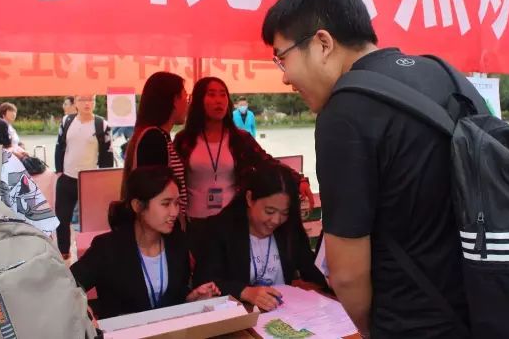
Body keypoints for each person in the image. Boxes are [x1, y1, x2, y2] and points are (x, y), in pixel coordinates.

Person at [261, 0, 475, 338]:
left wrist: (372, 331)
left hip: (415, 322)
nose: (285, 79)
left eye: (282, 58)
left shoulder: (344, 113)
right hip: (485, 307)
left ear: (323, 43)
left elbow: (346, 274)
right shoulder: (446, 75)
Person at [173, 77, 312, 255]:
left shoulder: (240, 138)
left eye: (223, 95)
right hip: (194, 223)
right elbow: (173, 181)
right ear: (199, 100)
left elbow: (267, 162)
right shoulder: (184, 140)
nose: (218, 100)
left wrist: (299, 179)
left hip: (232, 221)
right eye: (211, 94)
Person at [70, 166, 220, 319]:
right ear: (138, 205)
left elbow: (175, 294)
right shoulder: (108, 248)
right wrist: (83, 310)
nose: (174, 212)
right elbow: (67, 286)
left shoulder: (177, 242)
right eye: (166, 204)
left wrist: (191, 298)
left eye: (176, 203)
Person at [194, 163, 325, 311]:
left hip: (284, 311)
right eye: (269, 211)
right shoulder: (220, 229)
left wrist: (331, 279)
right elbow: (204, 282)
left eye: (284, 213)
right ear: (250, 199)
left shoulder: (288, 228)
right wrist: (244, 292)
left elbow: (309, 266)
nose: (276, 220)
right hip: (240, 315)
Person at [122, 72, 188, 219]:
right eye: (185, 97)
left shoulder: (157, 135)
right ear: (174, 100)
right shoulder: (154, 138)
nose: (187, 104)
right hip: (160, 225)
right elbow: (154, 192)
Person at [55, 95, 113, 259]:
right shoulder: (67, 121)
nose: (87, 103)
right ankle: (64, 252)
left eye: (91, 100)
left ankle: (94, 252)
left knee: (93, 221)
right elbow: (59, 146)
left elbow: (107, 153)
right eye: (82, 100)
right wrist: (59, 170)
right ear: (75, 103)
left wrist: (105, 177)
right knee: (62, 218)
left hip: (90, 180)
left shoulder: (101, 124)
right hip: (67, 177)